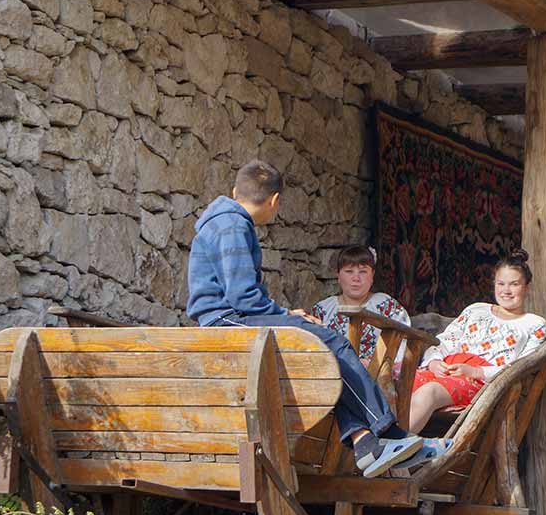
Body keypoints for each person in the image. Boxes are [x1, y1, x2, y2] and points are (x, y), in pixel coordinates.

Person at [186, 160, 436, 478]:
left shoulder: (226, 221)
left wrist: (285, 316)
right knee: (328, 339)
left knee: (323, 348)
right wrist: (281, 316)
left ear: (236, 190)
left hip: (233, 316)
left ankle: (365, 442)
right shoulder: (232, 225)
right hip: (227, 320)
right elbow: (242, 297)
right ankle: (389, 433)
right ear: (275, 200)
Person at [409, 249, 546, 433]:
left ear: (527, 287)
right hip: (446, 369)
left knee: (430, 392)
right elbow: (444, 342)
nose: (506, 290)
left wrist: (475, 371)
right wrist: (434, 362)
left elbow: (520, 367)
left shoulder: (533, 324)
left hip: (481, 384)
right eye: (501, 283)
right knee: (399, 385)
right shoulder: (476, 310)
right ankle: (370, 446)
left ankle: (394, 450)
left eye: (514, 284)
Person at [312, 246, 411, 366]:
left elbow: (403, 343)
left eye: (363, 272)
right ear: (338, 275)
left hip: (377, 377)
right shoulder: (322, 310)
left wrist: (374, 365)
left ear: (372, 275)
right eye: (349, 271)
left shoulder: (386, 306)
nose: (356, 278)